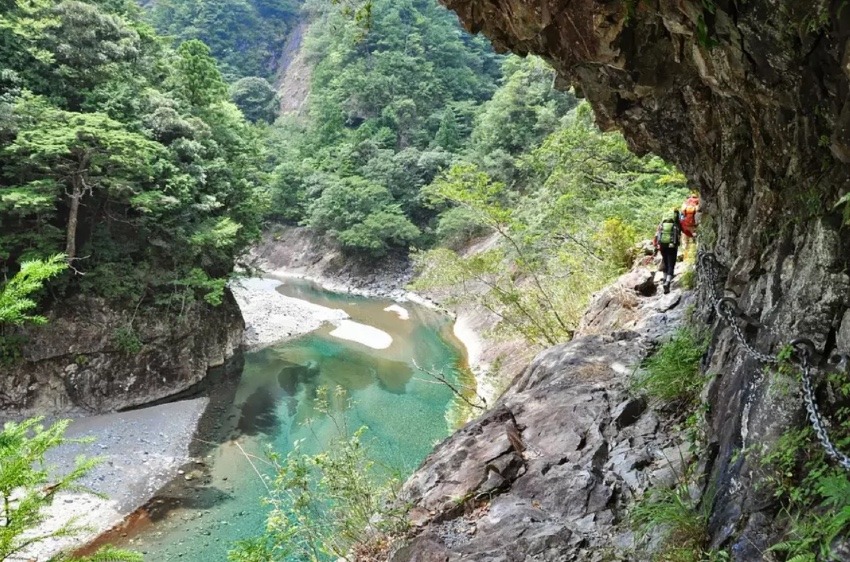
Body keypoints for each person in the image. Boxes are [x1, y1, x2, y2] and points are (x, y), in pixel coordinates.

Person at [654, 208, 681, 294]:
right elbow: (679, 234)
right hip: (672, 246)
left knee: (665, 262)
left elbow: (656, 236)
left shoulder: (661, 225)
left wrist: (656, 247)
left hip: (663, 246)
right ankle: (667, 283)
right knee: (671, 264)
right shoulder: (675, 224)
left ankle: (664, 280)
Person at [679, 192, 700, 259]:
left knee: (685, 241)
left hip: (685, 224)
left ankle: (685, 256)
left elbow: (682, 212)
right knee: (694, 240)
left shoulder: (686, 202)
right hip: (694, 224)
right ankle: (693, 255)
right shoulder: (698, 202)